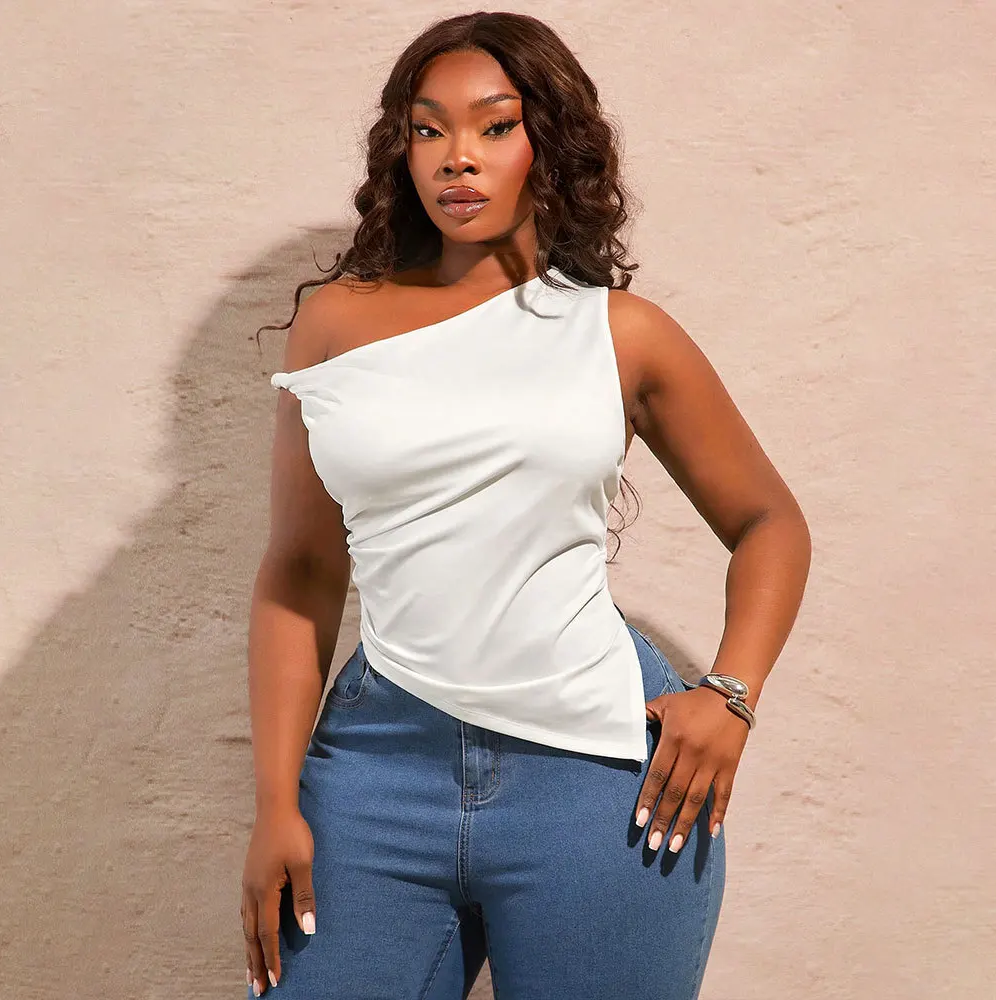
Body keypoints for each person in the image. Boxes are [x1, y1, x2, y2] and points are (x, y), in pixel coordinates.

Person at [241, 11, 811, 1000]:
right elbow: (301, 571)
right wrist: (273, 802)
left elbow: (772, 524)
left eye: (494, 126)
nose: (455, 157)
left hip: (596, 781)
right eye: (428, 129)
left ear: (548, 141)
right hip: (376, 771)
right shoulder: (334, 324)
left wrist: (730, 695)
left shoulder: (619, 333)